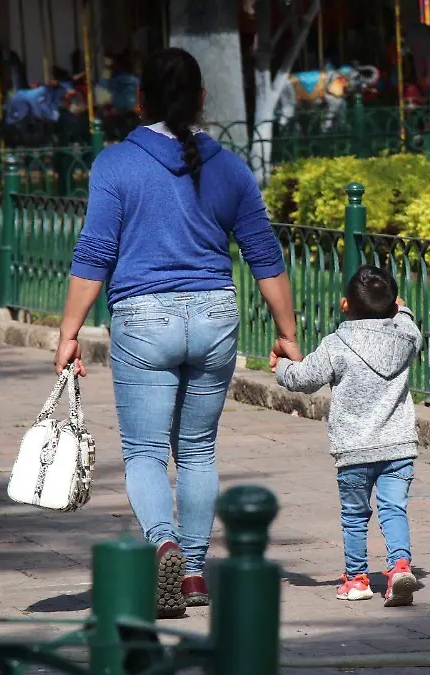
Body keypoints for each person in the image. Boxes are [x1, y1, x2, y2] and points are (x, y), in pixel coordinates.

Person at [54, 47, 302, 619]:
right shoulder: (231, 167)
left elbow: (95, 253)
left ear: (139, 100)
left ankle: (163, 544)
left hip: (144, 320)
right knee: (196, 450)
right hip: (215, 317)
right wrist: (287, 332)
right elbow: (265, 255)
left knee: (144, 451)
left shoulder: (116, 164)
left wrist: (68, 333)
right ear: (202, 100)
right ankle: (192, 573)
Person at [273, 265, 422, 607]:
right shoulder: (406, 336)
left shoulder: (336, 345)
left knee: (354, 517)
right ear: (393, 305)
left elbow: (304, 379)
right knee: (393, 509)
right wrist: (401, 309)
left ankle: (356, 579)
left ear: (344, 305)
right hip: (398, 448)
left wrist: (281, 367)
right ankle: (400, 567)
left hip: (354, 451)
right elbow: (407, 319)